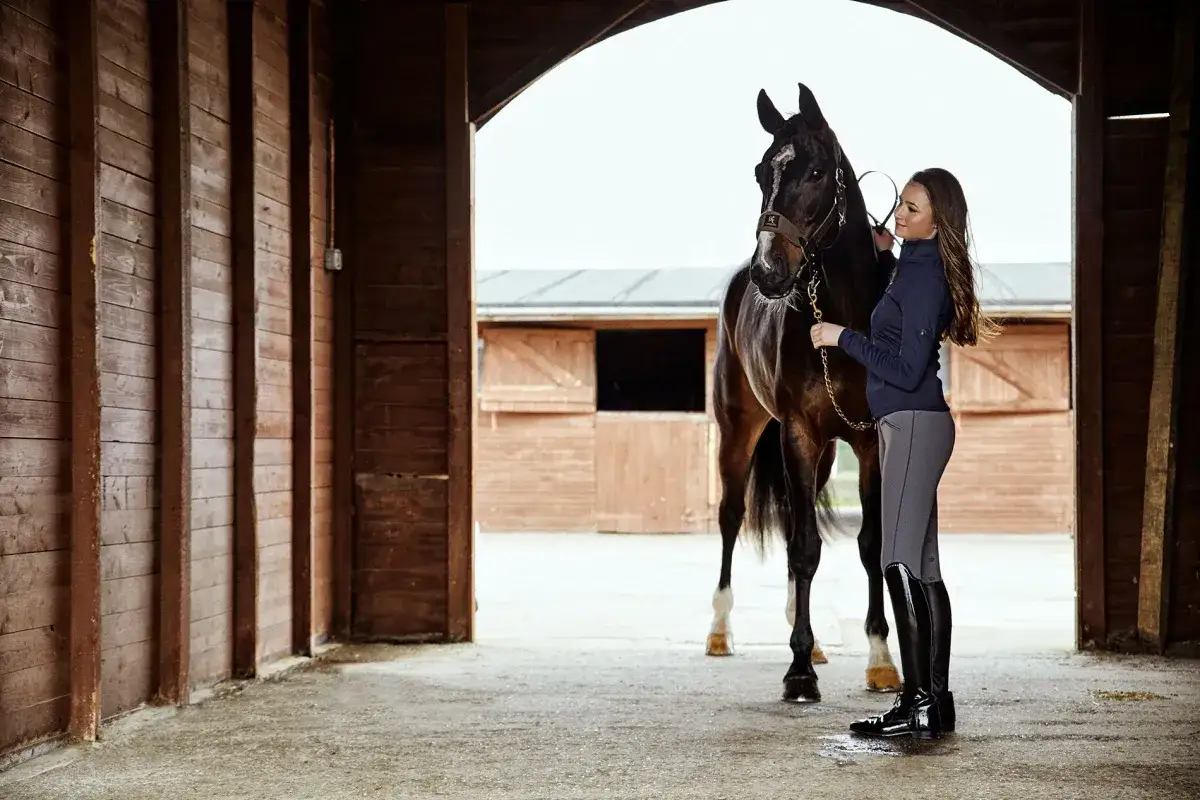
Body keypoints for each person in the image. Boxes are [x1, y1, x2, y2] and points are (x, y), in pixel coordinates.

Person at [808, 167, 998, 740]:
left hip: (913, 423)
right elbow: (901, 320)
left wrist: (840, 337)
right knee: (926, 569)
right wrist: (889, 253)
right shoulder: (912, 268)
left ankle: (916, 702)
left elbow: (907, 368)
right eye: (902, 206)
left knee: (897, 562)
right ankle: (934, 704)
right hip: (911, 424)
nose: (900, 216)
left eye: (913, 210)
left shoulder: (924, 279)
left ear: (940, 220)